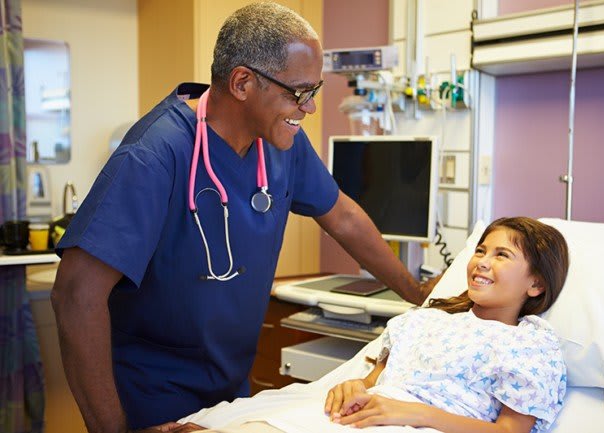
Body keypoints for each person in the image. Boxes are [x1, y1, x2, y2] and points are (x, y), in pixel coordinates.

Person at [50, 3, 435, 433]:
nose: (307, 109)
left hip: (230, 393)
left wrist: (417, 293)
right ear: (242, 83)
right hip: (151, 400)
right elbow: (75, 294)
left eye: (314, 91)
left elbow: (341, 215)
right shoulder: (154, 156)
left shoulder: (281, 142)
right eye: (298, 92)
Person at [179, 217, 569, 433]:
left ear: (536, 284)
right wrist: (355, 386)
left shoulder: (528, 346)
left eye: (501, 255)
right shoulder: (426, 322)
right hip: (367, 417)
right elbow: (375, 381)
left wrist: (412, 413)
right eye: (481, 250)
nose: (481, 261)